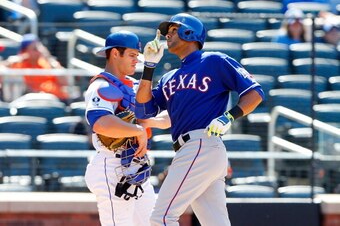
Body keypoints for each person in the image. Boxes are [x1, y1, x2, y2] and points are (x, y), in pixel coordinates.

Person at [135, 13, 264, 226]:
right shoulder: (169, 77)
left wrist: (229, 116)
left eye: (173, 29)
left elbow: (255, 92)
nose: (167, 35)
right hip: (195, 150)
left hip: (201, 144)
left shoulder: (213, 61)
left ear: (189, 32)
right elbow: (143, 110)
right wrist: (149, 67)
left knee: (161, 218)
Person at [84, 30, 171, 226]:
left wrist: (149, 123)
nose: (136, 60)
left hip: (136, 166)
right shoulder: (100, 85)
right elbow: (101, 123)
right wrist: (138, 131)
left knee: (155, 222)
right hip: (112, 165)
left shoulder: (135, 85)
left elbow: (168, 118)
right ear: (115, 53)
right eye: (132, 55)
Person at [2, 33, 69, 101]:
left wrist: (49, 58)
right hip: (33, 101)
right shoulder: (18, 64)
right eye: (35, 49)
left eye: (39, 47)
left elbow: (65, 82)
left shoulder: (49, 62)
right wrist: (9, 62)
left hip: (58, 100)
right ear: (25, 51)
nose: (39, 51)